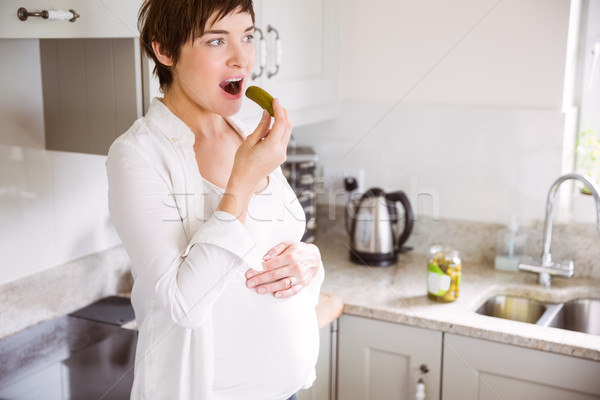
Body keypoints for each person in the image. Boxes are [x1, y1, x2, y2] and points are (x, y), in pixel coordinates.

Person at [105, 0, 324, 399]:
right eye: (217, 40)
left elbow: (274, 249)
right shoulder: (137, 155)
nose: (241, 58)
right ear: (165, 51)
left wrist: (310, 262)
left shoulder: (247, 134)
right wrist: (241, 179)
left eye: (248, 36)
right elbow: (184, 303)